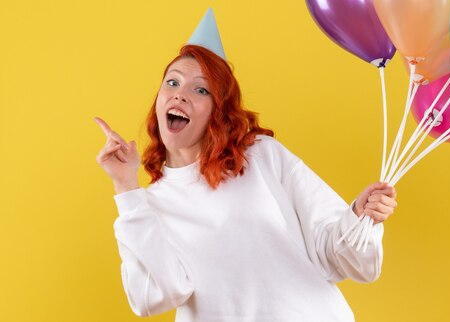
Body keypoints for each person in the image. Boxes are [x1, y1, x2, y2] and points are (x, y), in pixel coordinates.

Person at [95, 44, 397, 321]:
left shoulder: (261, 156)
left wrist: (360, 214)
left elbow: (336, 255)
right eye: (172, 82)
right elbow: (154, 297)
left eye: (201, 90)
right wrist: (125, 187)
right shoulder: (146, 206)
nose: (180, 94)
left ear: (218, 111)